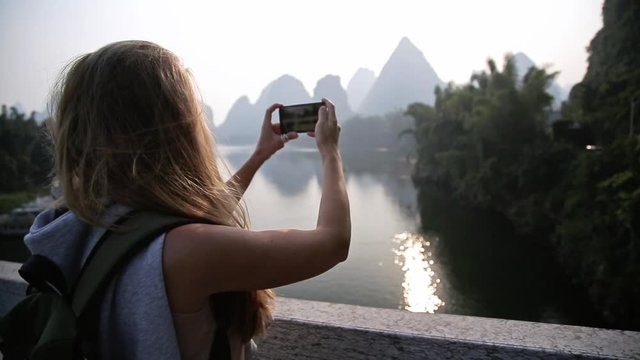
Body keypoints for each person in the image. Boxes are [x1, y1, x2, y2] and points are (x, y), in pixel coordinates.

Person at [24, 40, 351, 360]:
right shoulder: (188, 252)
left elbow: (171, 225)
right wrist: (330, 151)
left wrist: (259, 156)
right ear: (176, 129)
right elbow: (332, 243)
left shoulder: (82, 224)